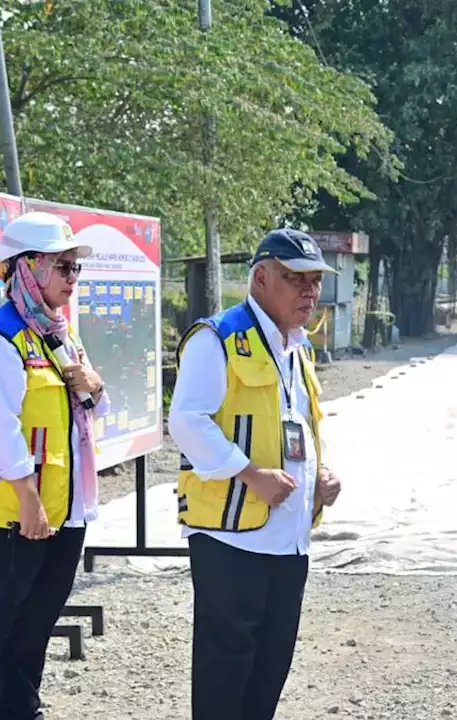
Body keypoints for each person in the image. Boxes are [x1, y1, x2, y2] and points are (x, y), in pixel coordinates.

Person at [169, 229, 343, 719]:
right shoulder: (218, 337)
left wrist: (321, 475)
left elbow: (298, 424)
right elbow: (185, 421)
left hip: (288, 537)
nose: (309, 292)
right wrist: (249, 474)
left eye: (315, 281)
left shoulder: (299, 347)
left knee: (271, 665)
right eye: (296, 279)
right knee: (225, 669)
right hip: (230, 536)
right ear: (261, 278)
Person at [0, 212, 109, 720]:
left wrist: (95, 385)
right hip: (4, 513)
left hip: (59, 509)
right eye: (62, 266)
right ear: (27, 268)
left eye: (75, 269)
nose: (71, 278)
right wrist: (29, 501)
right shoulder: (0, 338)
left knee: (37, 619)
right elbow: (1, 429)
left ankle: (23, 709)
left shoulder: (58, 334)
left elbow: (93, 410)